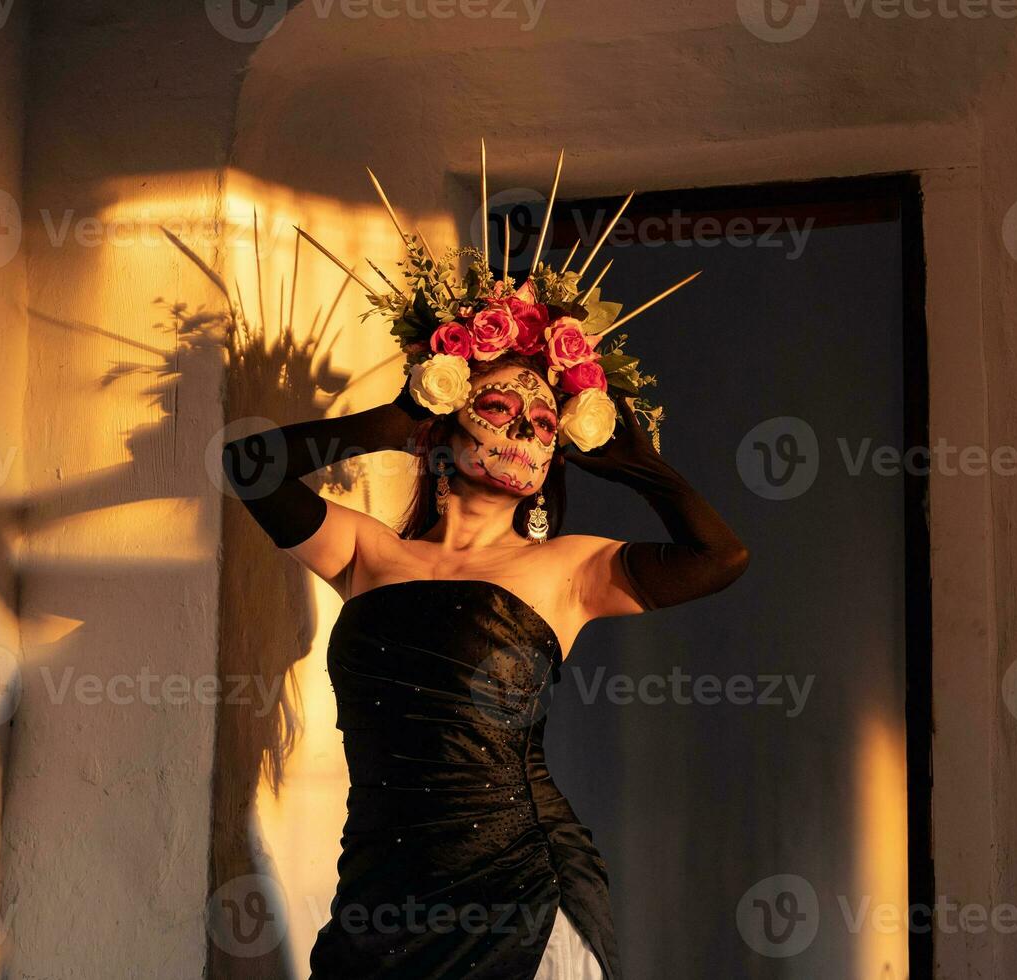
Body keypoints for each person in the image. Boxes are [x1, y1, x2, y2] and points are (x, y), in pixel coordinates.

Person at [223, 348, 749, 978]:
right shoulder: (368, 551)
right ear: (448, 421)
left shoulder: (569, 566)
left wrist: (642, 468)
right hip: (382, 884)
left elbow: (720, 558)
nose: (526, 428)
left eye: (547, 424)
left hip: (516, 883)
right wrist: (395, 422)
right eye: (500, 406)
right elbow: (249, 466)